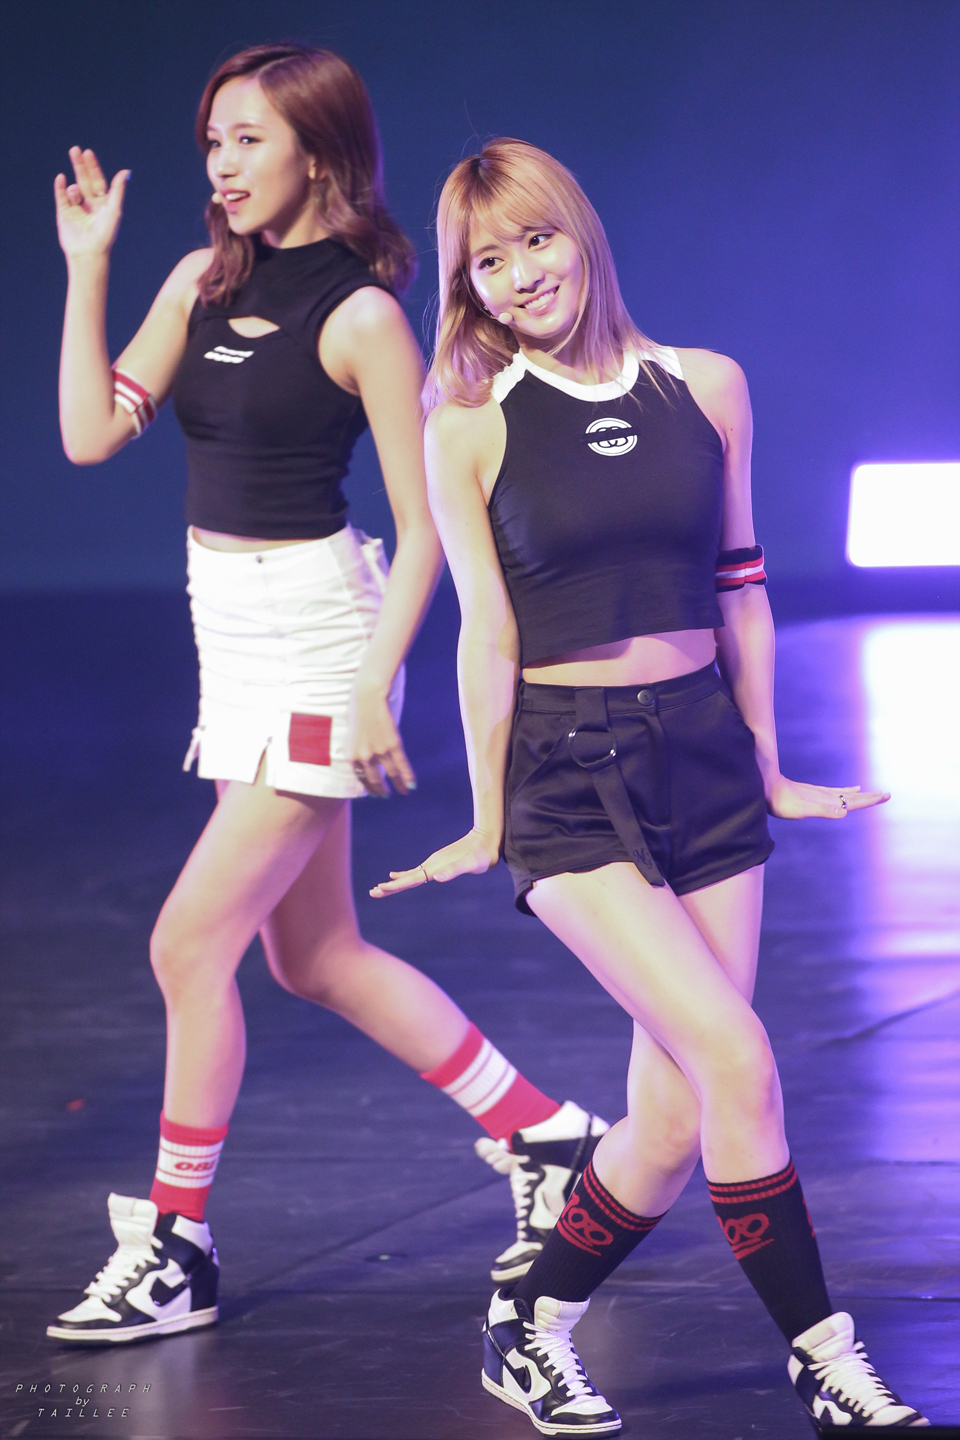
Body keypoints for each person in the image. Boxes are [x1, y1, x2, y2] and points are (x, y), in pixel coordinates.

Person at [47, 51, 609, 1347]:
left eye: (249, 139)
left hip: (320, 637)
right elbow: (88, 433)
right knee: (312, 957)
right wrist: (87, 266)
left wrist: (371, 683)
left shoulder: (360, 316)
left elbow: (425, 529)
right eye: (213, 142)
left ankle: (177, 1244)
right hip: (230, 632)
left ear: (317, 152)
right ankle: (547, 1138)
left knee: (188, 945)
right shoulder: (199, 281)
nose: (223, 165)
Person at [372, 139, 928, 1433]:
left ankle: (527, 1324)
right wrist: (487, 814)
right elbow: (487, 634)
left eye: (536, 240)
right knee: (737, 1056)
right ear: (465, 285)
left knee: (673, 1116)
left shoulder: (707, 385)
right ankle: (825, 1358)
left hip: (705, 755)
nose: (520, 275)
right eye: (487, 261)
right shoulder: (469, 426)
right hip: (568, 777)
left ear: (583, 235)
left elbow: (742, 585)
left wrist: (771, 768)